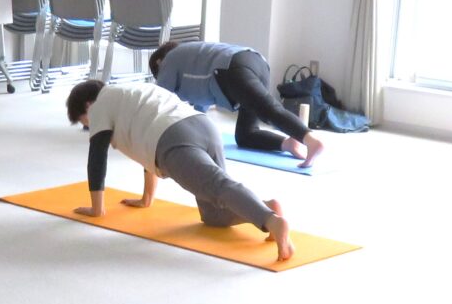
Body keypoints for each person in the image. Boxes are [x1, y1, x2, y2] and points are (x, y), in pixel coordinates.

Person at [65, 78, 293, 263]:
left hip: (173, 139)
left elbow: (97, 157)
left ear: (87, 105)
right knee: (214, 214)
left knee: (218, 186)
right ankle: (266, 208)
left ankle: (271, 221)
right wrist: (146, 199)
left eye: (84, 121)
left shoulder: (100, 106)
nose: (89, 126)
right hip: (202, 126)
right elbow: (145, 145)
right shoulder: (132, 91)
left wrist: (97, 209)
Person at [148, 40, 324, 167]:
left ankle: (311, 140)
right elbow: (196, 115)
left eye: (158, 73)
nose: (160, 76)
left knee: (268, 109)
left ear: (159, 63)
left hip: (232, 68)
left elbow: (160, 101)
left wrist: (148, 138)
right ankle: (288, 144)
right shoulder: (191, 61)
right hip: (256, 63)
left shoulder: (169, 60)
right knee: (246, 134)